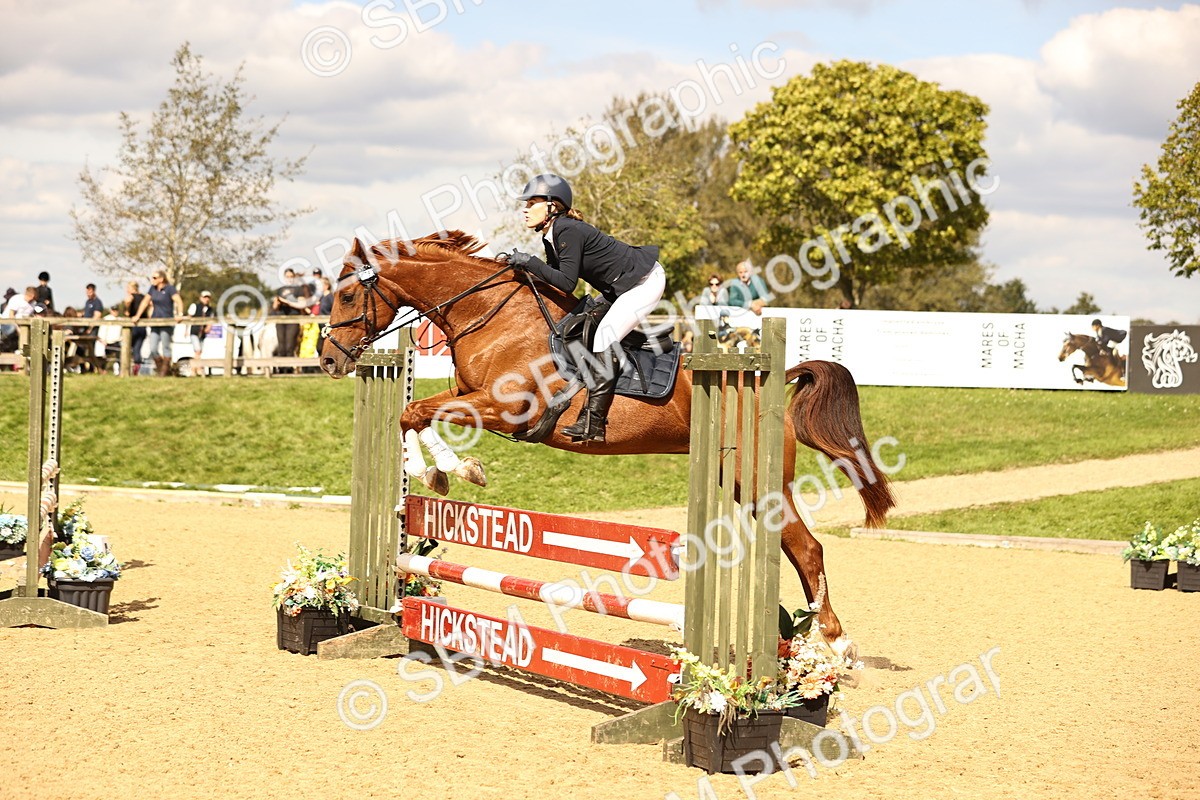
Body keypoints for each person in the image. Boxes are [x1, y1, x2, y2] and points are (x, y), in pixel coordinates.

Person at [507, 173, 665, 443]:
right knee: (583, 325)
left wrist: (530, 262)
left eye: (531, 202)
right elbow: (555, 279)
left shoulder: (567, 229)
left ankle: (594, 423)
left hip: (644, 282)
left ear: (551, 206)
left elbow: (567, 283)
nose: (525, 209)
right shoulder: (551, 236)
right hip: (622, 287)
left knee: (605, 335)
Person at [131, 270, 182, 376]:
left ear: (161, 279)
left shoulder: (169, 289)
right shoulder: (152, 289)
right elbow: (145, 302)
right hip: (155, 321)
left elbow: (178, 301)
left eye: (154, 278)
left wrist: (180, 313)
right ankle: (162, 369)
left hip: (166, 321)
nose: (152, 280)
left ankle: (164, 372)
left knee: (165, 347)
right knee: (153, 348)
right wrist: (137, 315)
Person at [272, 267, 311, 362]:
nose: (289, 278)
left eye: (291, 276)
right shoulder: (280, 290)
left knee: (290, 345)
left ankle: (289, 368)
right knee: (281, 346)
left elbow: (302, 304)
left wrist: (288, 302)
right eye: (287, 276)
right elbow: (275, 307)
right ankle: (281, 369)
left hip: (293, 319)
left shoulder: (298, 290)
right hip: (281, 319)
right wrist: (278, 302)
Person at [122, 281, 147, 376]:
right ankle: (136, 368)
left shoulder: (131, 297)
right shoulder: (144, 297)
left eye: (128, 288)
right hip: (143, 327)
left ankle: (126, 369)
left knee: (127, 347)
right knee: (137, 349)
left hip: (134, 327)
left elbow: (127, 312)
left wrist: (127, 307)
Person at [187, 290, 216, 357]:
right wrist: (186, 330)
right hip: (194, 332)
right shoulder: (195, 306)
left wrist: (208, 327)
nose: (206, 299)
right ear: (201, 298)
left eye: (208, 297)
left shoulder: (210, 309)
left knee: (200, 351)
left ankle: (196, 367)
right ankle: (197, 366)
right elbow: (189, 317)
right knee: (198, 350)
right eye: (205, 297)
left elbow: (210, 321)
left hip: (202, 334)